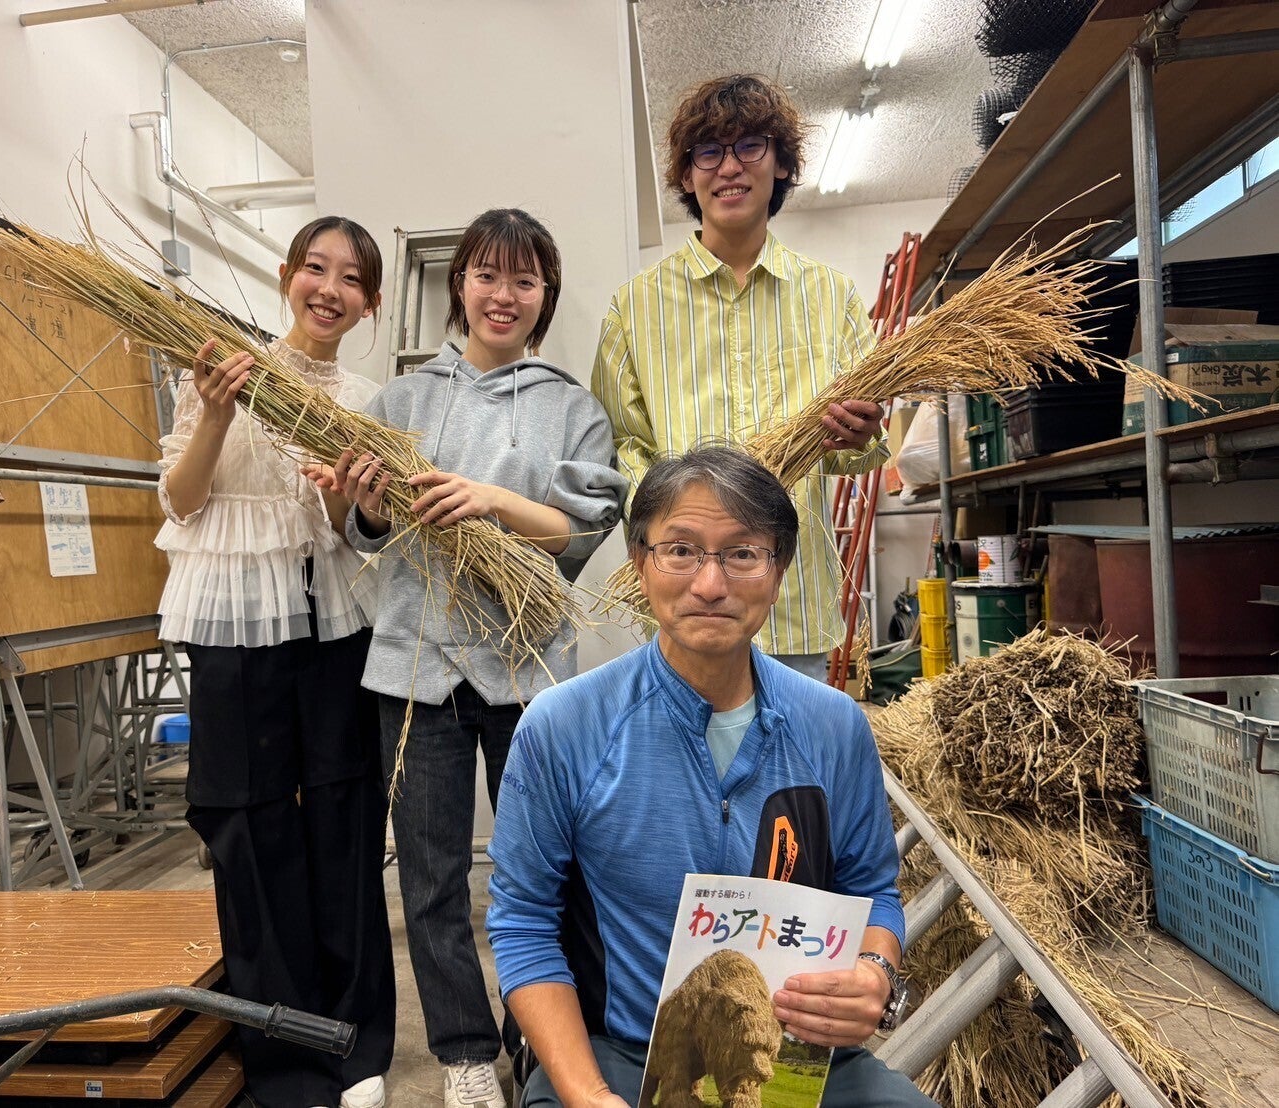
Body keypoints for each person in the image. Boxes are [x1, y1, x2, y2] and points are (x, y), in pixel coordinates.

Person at [486, 445, 933, 1108]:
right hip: (623, 1055)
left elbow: (869, 890)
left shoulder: (834, 726)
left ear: (779, 571)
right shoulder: (564, 726)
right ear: (639, 565)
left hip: (788, 1055)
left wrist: (873, 973)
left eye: (743, 553)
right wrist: (588, 1094)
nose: (710, 584)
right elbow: (523, 920)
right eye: (681, 550)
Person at [317, 208, 626, 1108]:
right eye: (487, 275)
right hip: (415, 668)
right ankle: (461, 1052)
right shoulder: (401, 401)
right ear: (459, 285)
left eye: (524, 281)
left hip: (528, 671)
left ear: (544, 296)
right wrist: (369, 506)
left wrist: (490, 500)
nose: (503, 295)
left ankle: (545, 1044)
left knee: (551, 869)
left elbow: (578, 533)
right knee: (430, 876)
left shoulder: (572, 407)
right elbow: (363, 535)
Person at [155, 217, 395, 1108]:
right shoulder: (222, 372)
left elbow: (351, 534)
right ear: (288, 274)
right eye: (316, 269)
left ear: (370, 303)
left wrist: (346, 499)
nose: (329, 289)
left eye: (351, 279)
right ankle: (285, 1058)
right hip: (231, 619)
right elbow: (182, 502)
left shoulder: (366, 401)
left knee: (344, 813)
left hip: (333, 620)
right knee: (247, 823)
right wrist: (216, 415)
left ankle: (358, 1046)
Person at [593, 74, 887, 682]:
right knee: (682, 746)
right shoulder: (635, 307)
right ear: (686, 174)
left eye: (750, 146)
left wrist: (859, 436)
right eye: (708, 151)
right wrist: (685, 520)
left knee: (789, 748)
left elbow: (860, 452)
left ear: (781, 164)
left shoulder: (831, 297)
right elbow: (620, 447)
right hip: (684, 602)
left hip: (793, 601)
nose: (729, 167)